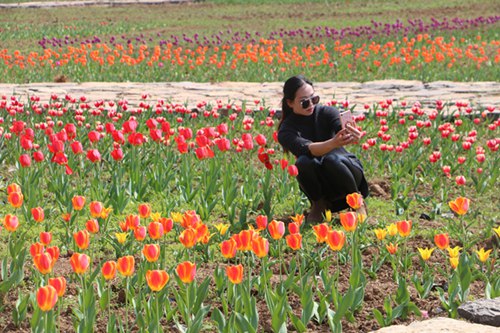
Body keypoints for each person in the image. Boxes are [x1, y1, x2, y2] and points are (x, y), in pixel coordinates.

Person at [277, 75, 369, 223]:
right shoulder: (286, 130)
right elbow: (310, 149)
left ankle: (357, 202)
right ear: (290, 103)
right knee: (302, 162)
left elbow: (342, 129)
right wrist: (333, 142)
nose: (311, 105)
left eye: (314, 99)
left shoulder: (327, 112)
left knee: (331, 159)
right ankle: (319, 205)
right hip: (323, 188)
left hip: (347, 173)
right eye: (304, 102)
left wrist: (352, 134)